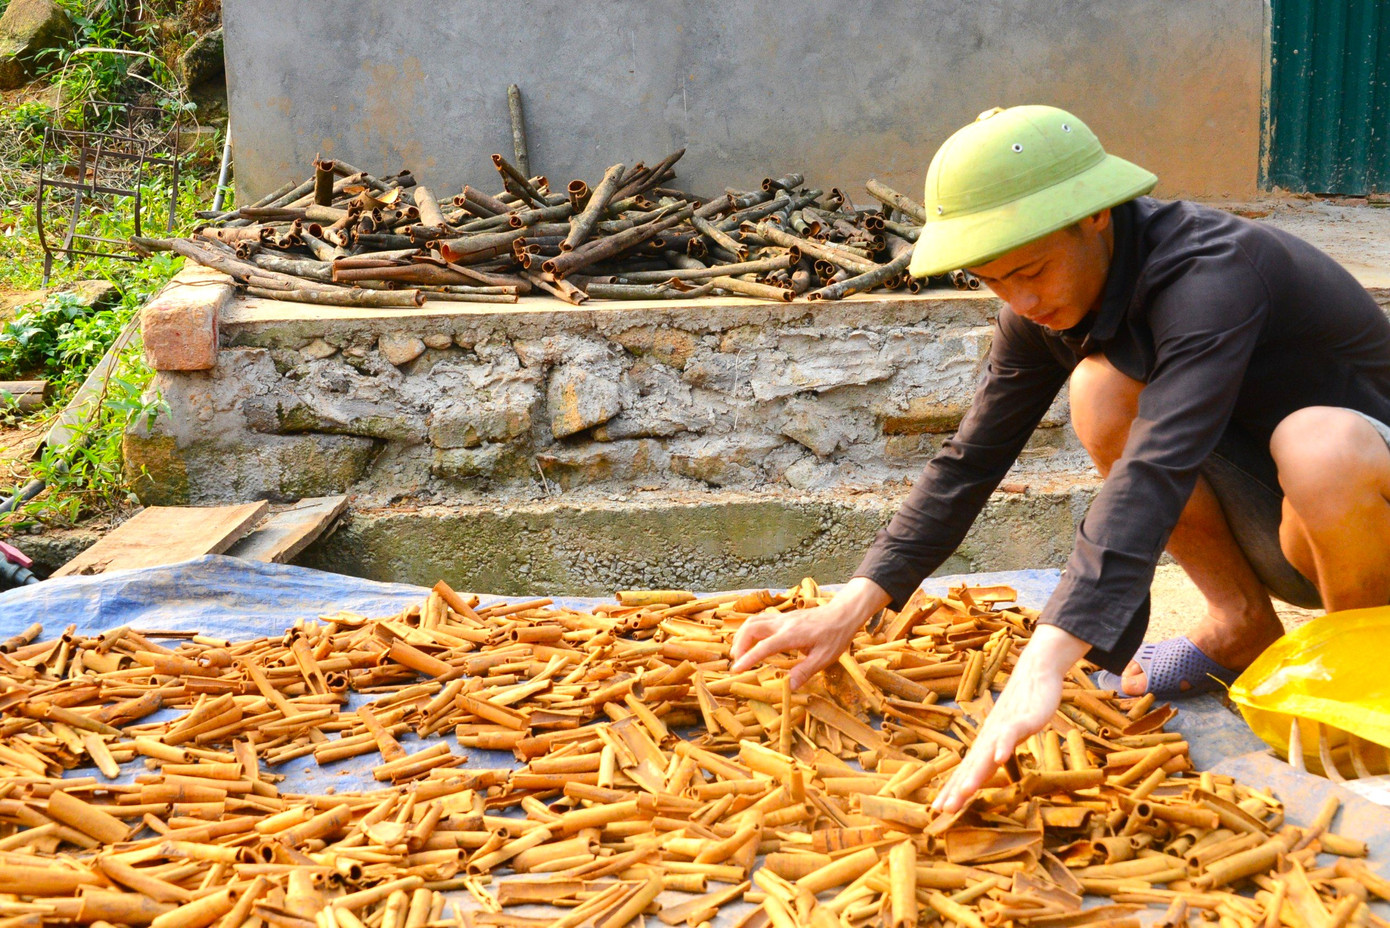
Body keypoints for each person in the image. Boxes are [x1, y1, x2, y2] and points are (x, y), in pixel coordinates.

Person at [729, 104, 1390, 813]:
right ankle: (1240, 625)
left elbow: (1157, 467)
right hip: (1289, 526)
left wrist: (1046, 663)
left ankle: (1364, 685)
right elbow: (969, 460)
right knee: (1101, 391)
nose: (1021, 299)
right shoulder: (1044, 308)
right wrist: (854, 602)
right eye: (995, 281)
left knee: (1320, 446)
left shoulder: (1211, 272)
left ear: (1097, 216)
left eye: (1032, 269)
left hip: (1360, 514)